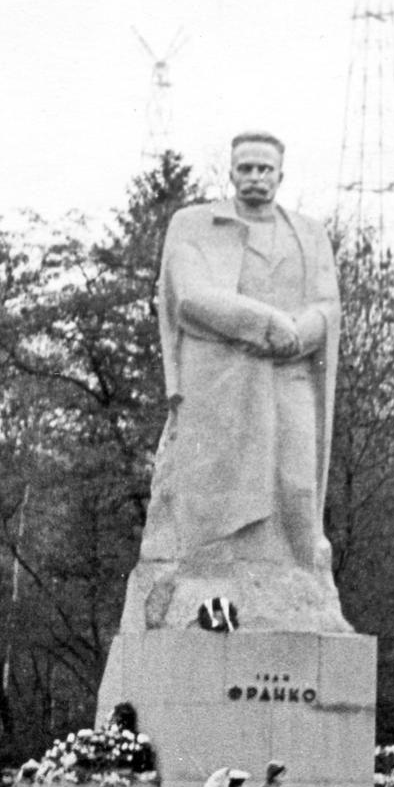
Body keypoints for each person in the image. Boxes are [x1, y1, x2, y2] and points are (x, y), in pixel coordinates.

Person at [122, 130, 348, 632]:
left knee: (294, 481)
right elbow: (190, 298)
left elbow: (328, 305)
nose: (255, 178)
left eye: (265, 169)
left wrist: (303, 332)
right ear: (230, 171)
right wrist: (263, 324)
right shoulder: (196, 226)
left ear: (280, 176)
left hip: (290, 372)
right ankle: (210, 579)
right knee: (224, 487)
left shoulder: (308, 234)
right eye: (245, 168)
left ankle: (296, 589)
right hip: (226, 381)